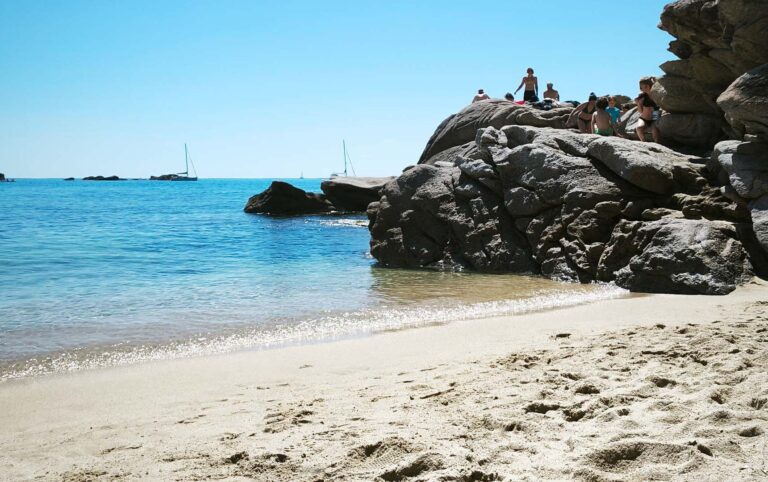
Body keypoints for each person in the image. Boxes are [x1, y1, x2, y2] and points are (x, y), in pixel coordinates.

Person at [635, 77, 660, 142]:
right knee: (638, 128)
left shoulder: (657, 94)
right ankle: (644, 143)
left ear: (649, 86)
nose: (641, 89)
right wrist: (638, 103)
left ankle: (657, 143)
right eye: (641, 88)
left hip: (654, 117)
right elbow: (640, 111)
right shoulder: (642, 96)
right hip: (644, 118)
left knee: (655, 129)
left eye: (642, 87)